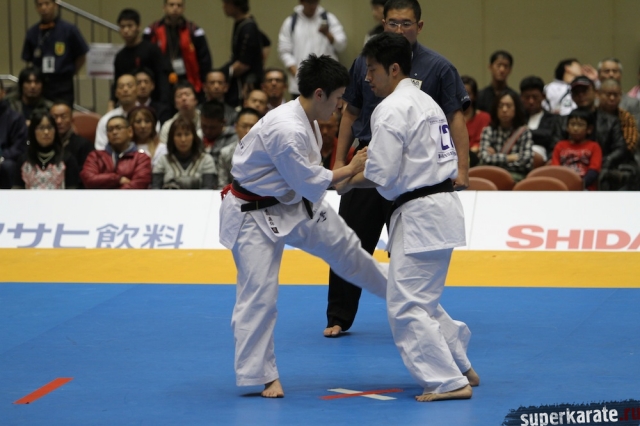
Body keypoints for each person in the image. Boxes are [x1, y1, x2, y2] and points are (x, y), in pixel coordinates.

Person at [218, 54, 388, 398]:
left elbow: (308, 183)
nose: (340, 106)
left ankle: (410, 302)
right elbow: (312, 180)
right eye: (338, 97)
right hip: (253, 215)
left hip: (294, 204)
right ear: (320, 93)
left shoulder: (305, 118)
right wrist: (352, 166)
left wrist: (348, 172)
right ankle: (261, 376)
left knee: (351, 254)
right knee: (258, 296)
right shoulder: (288, 129)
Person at [339, 31, 478, 402]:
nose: (366, 77)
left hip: (421, 213)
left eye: (372, 69)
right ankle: (460, 363)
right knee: (422, 300)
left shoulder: (390, 109)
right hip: (439, 208)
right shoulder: (426, 101)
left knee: (405, 306)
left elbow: (381, 173)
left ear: (394, 69)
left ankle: (448, 382)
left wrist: (346, 180)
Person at [325, 0, 470, 338]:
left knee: (409, 257)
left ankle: (422, 320)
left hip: (411, 173)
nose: (399, 29)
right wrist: (340, 164)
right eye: (393, 23)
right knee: (349, 242)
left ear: (419, 26)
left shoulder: (438, 67)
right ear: (383, 22)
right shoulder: (365, 61)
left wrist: (462, 169)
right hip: (367, 157)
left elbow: (454, 118)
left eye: (406, 23)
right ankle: (339, 315)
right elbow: (350, 113)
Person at [21, 0, 89, 105]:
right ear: (36, 8)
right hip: (41, 85)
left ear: (55, 5)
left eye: (47, 3)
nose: (44, 8)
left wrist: (71, 73)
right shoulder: (33, 32)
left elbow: (81, 55)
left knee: (62, 113)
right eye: (40, 5)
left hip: (62, 84)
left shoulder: (69, 30)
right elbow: (28, 59)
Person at [277, 0, 347, 98]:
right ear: (301, 2)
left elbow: (341, 45)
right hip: (300, 84)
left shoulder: (329, 19)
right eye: (309, 2)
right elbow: (284, 51)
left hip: (327, 82)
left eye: (315, 2)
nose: (313, 6)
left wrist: (327, 34)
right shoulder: (291, 22)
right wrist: (297, 74)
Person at [143, 0, 212, 98]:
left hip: (188, 79)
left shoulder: (194, 31)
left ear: (183, 9)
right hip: (160, 82)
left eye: (179, 5)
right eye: (171, 5)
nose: (175, 8)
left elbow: (204, 59)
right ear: (164, 8)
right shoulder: (152, 30)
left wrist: (204, 81)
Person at [111, 9, 169, 110]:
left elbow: (162, 78)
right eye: (122, 27)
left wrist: (164, 104)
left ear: (138, 27)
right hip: (130, 106)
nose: (126, 30)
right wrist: (111, 102)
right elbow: (117, 81)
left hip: (155, 104)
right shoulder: (120, 56)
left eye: (130, 26)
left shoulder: (152, 50)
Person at [81, 115, 152, 189]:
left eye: (118, 128)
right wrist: (117, 179)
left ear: (130, 131)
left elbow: (139, 184)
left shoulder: (141, 158)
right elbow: (88, 179)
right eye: (110, 129)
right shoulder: (95, 156)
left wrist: (112, 194)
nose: (114, 132)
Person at [13, 110, 79, 189]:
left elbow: (72, 191)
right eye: (41, 128)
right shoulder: (23, 160)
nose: (46, 132)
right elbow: (16, 190)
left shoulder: (68, 159)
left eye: (50, 127)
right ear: (33, 131)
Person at [478, 91, 533, 181]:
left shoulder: (524, 132)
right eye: (500, 106)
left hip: (515, 177)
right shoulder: (488, 131)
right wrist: (508, 158)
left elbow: (525, 161)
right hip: (492, 176)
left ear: (516, 108)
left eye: (508, 106)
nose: (504, 109)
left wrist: (495, 157)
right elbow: (484, 158)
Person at [221, 0, 265, 107]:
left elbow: (244, 64)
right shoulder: (242, 23)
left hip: (246, 82)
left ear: (235, 5)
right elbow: (266, 43)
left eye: (226, 3)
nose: (224, 7)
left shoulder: (248, 27)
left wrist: (224, 75)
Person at [152, 116, 216, 189]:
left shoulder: (206, 160)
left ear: (194, 136)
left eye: (187, 134)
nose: (183, 139)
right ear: (172, 138)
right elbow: (155, 189)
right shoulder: (163, 160)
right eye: (178, 135)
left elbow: (208, 190)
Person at [551, 109, 602, 191]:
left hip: (585, 187)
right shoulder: (560, 145)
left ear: (589, 129)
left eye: (580, 125)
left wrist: (580, 185)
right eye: (572, 124)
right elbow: (555, 168)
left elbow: (594, 170)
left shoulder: (594, 146)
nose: (575, 128)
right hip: (562, 185)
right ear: (567, 127)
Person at [96, 74, 149, 150]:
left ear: (137, 90)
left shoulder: (148, 116)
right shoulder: (106, 119)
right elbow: (100, 149)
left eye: (130, 86)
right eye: (121, 86)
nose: (125, 89)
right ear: (116, 93)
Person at [216, 107, 260, 187]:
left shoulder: (267, 153)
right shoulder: (225, 153)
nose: (248, 131)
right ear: (236, 127)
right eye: (244, 126)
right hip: (232, 193)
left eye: (252, 127)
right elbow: (222, 185)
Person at [520, 76, 559, 162]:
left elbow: (550, 138)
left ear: (543, 96)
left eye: (535, 97)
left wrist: (524, 131)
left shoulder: (553, 119)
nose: (531, 101)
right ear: (521, 97)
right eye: (527, 97)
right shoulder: (518, 118)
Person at [49, 101, 94, 173]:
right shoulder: (45, 144)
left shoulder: (84, 145)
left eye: (63, 117)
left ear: (72, 119)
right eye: (54, 117)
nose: (58, 121)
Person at [598, 78, 638, 156]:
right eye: (608, 94)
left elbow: (630, 145)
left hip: (620, 158)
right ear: (598, 95)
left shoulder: (626, 117)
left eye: (616, 95)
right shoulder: (592, 114)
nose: (612, 98)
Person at [0, 80, 28, 189]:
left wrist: (2, 157)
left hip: (4, 160)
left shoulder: (15, 118)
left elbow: (20, 146)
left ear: (3, 92)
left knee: (8, 166)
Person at [597, 58, 640, 124]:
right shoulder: (592, 102)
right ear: (599, 75)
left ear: (620, 75)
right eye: (607, 71)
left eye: (615, 71)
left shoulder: (633, 103)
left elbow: (636, 128)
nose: (611, 74)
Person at [461, 75, 491, 166]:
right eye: (460, 93)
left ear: (474, 96)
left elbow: (482, 145)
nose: (463, 97)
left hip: (477, 161)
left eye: (468, 94)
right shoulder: (449, 118)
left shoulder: (484, 117)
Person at [200, 100, 237, 167]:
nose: (208, 131)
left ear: (223, 122)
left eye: (212, 128)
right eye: (204, 126)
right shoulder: (196, 136)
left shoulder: (234, 140)